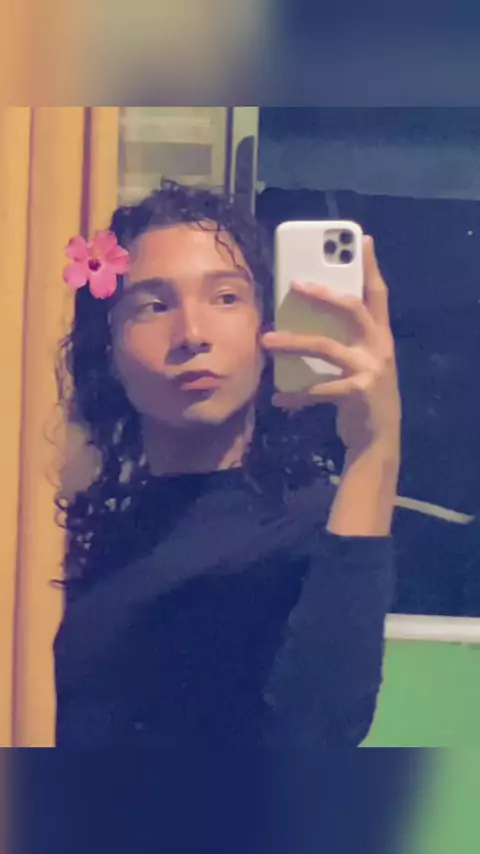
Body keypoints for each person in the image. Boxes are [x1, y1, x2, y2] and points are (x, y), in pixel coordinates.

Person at [53, 178, 400, 748]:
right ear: (108, 351)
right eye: (154, 305)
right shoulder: (106, 529)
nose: (192, 334)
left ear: (268, 328)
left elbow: (318, 733)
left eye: (226, 298)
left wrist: (375, 449)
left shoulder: (318, 527)